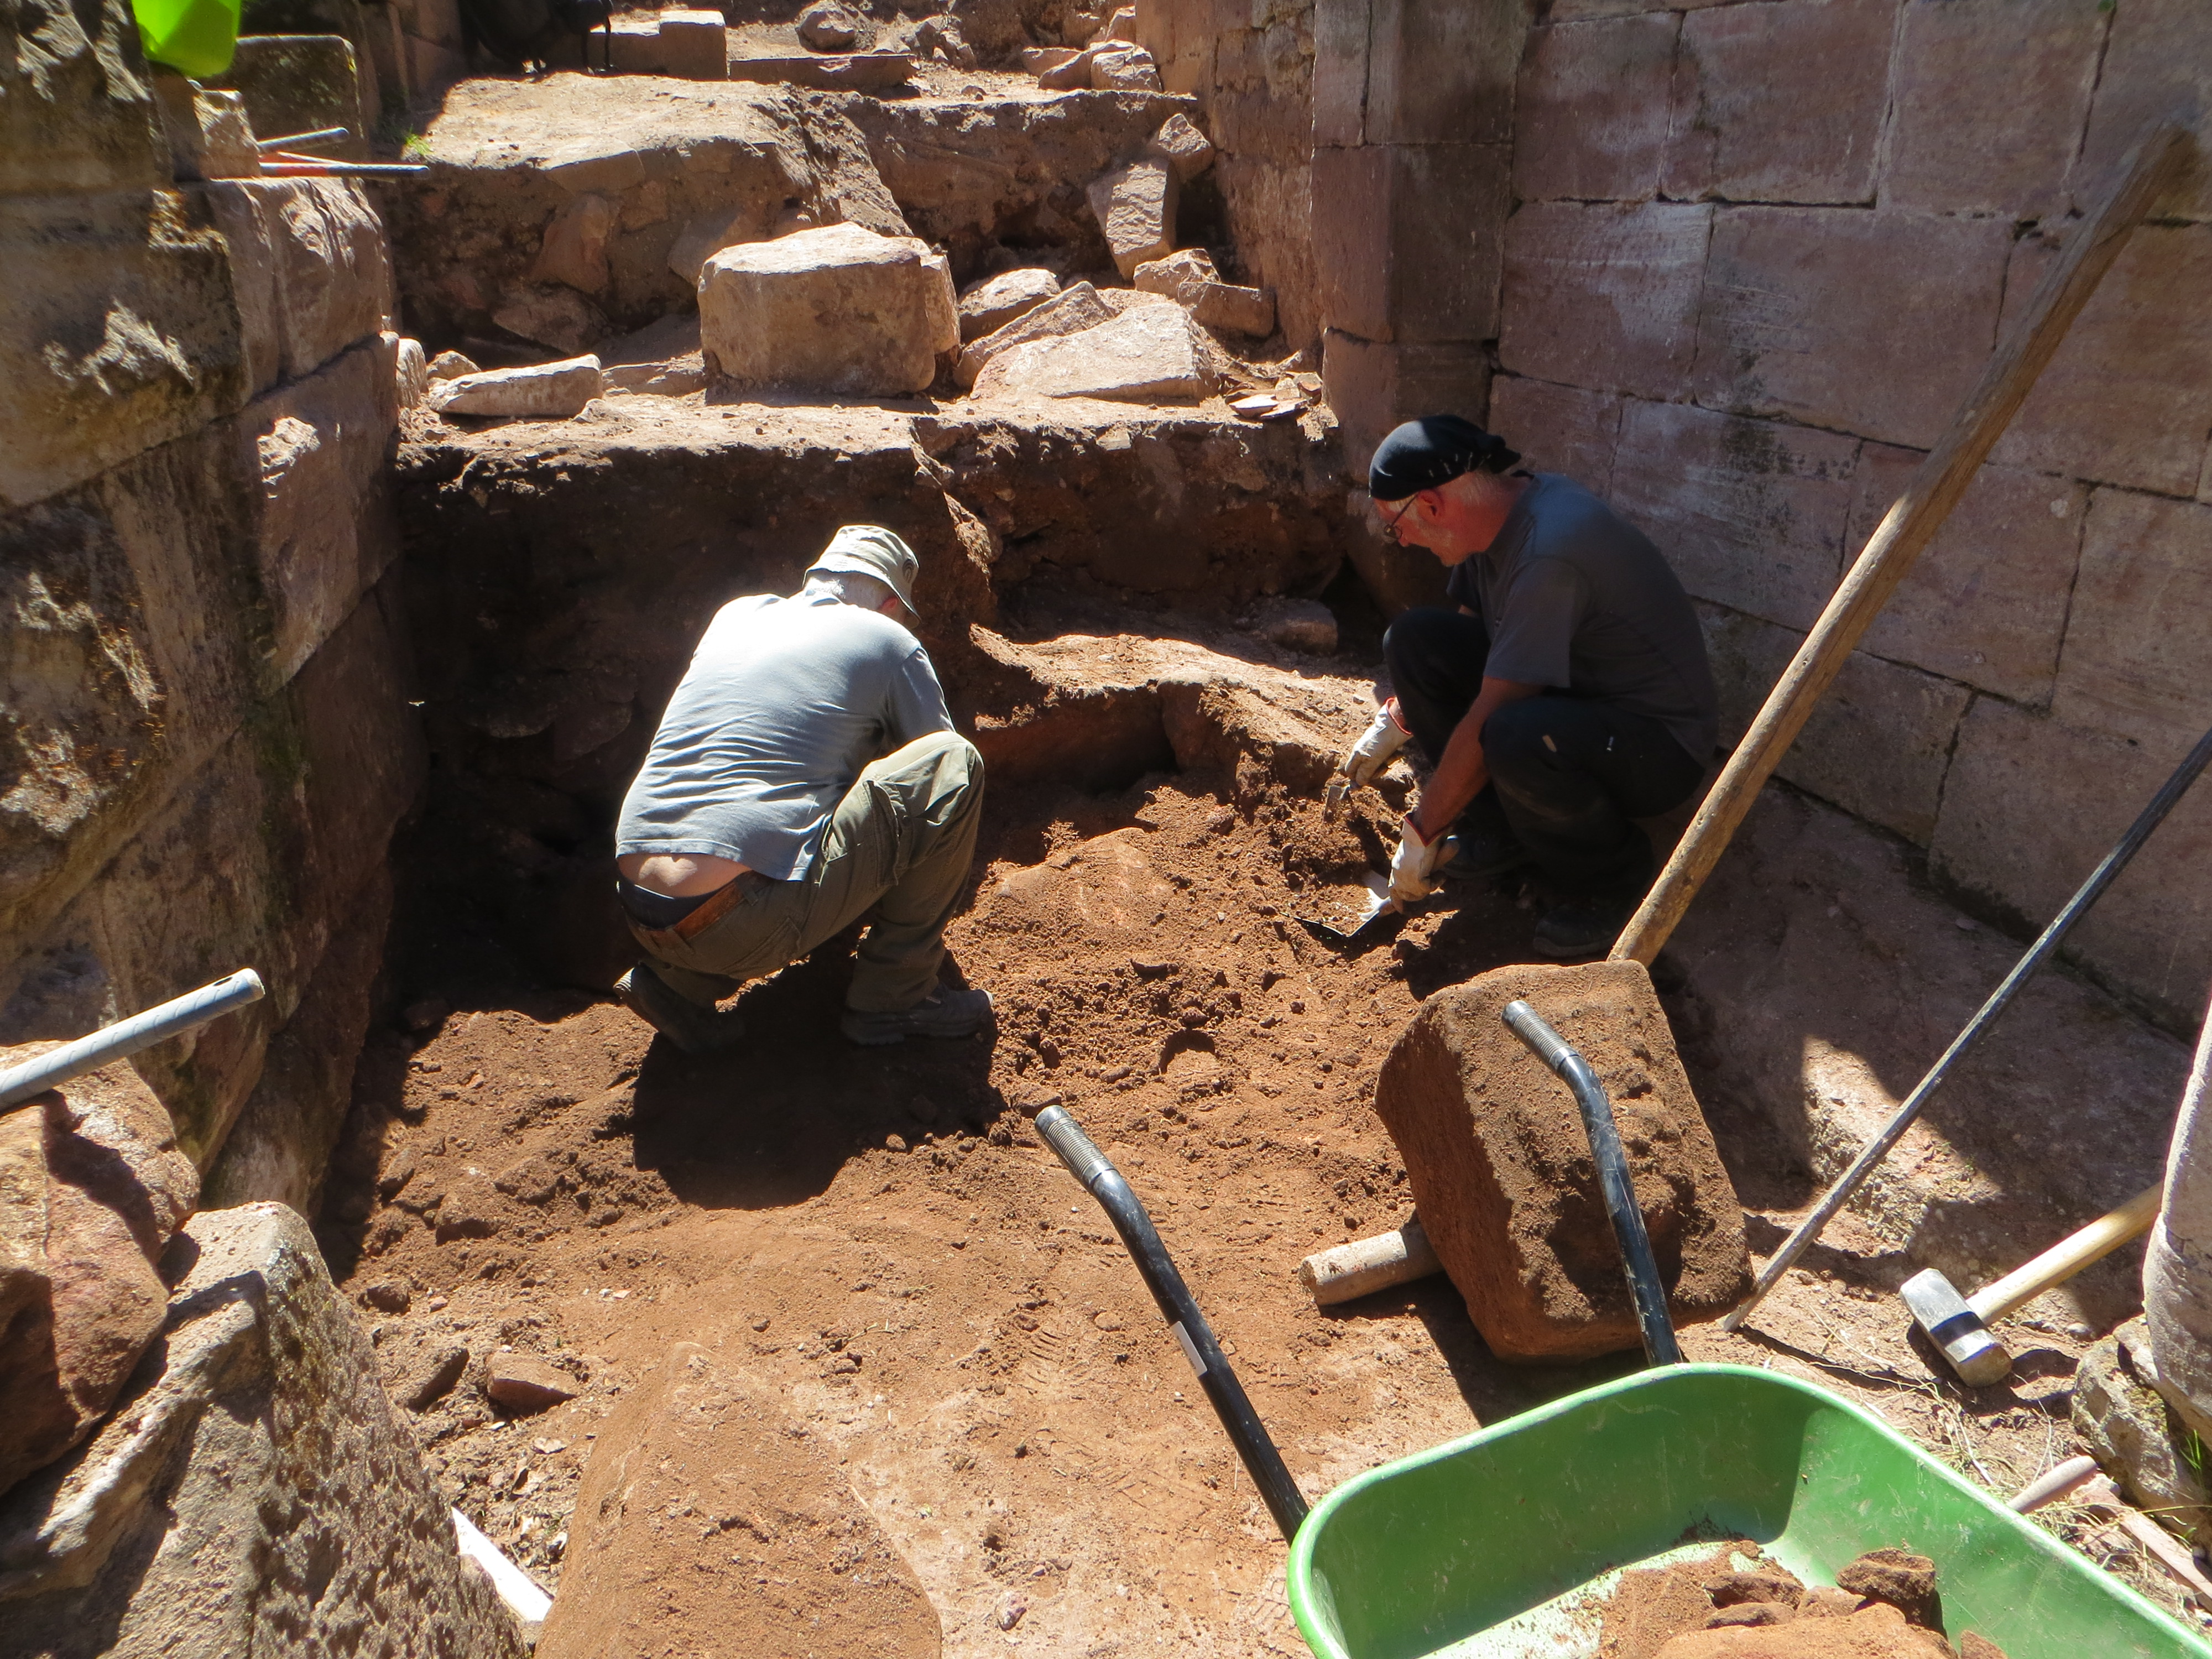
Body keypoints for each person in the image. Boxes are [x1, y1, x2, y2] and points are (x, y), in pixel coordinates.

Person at [1334, 416, 1718, 958]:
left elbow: (1492, 708)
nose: (1403, 542)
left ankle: (1611, 885)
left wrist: (1421, 831)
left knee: (1512, 735)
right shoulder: (1492, 519)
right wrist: (1402, 713)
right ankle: (1507, 833)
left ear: (1433, 505)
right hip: (1575, 697)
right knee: (1414, 642)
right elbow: (1469, 639)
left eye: (1397, 527)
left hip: (1656, 745)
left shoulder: (1547, 553)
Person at [610, 525, 992, 1052]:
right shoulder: (887, 638)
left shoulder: (736, 615)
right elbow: (933, 773)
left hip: (639, 906)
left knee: (767, 801)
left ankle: (679, 985)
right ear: (889, 606)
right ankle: (898, 996)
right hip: (743, 922)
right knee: (953, 762)